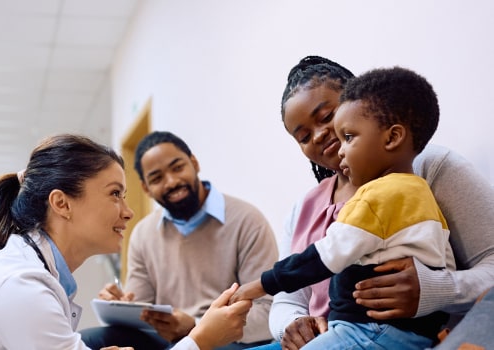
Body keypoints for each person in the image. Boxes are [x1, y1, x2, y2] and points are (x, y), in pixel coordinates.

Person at [265, 56, 494, 350]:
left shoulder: (430, 168)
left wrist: (434, 289)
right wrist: (292, 325)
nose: (320, 135)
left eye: (326, 117)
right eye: (304, 136)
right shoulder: (304, 209)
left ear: (357, 100)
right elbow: (287, 298)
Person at [80, 131, 278, 350]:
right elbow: (141, 312)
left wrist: (195, 327)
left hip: (227, 340)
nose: (172, 182)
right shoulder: (143, 233)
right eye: (157, 178)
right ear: (146, 188)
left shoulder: (247, 220)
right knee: (90, 341)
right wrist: (120, 307)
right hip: (166, 340)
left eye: (177, 168)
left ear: (194, 163)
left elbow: (268, 311)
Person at [0, 134, 134, 350]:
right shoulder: (21, 285)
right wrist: (199, 339)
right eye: (115, 193)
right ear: (62, 203)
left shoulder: (36, 272)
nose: (128, 213)